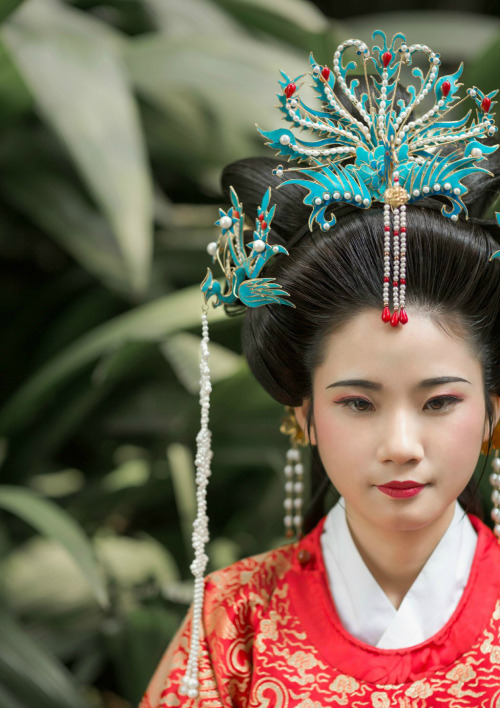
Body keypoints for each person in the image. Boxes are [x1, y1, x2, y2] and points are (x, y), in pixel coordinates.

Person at [140, 32, 500, 706]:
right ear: (302, 413)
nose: (401, 445)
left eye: (440, 401)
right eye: (358, 403)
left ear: (493, 412)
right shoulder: (232, 624)